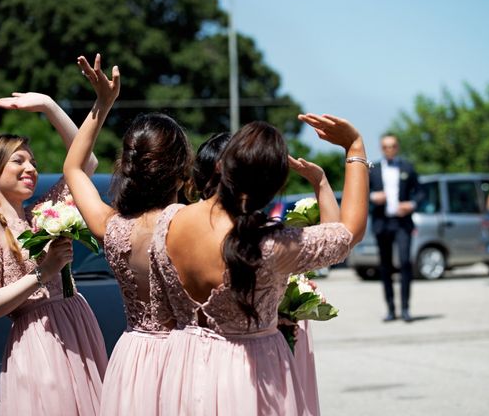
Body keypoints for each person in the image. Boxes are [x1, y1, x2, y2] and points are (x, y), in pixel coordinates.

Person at [150, 113, 368, 415]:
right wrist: (355, 148)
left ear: (221, 166)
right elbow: (349, 232)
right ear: (274, 188)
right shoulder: (272, 245)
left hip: (181, 367)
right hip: (249, 376)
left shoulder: (169, 221)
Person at [63, 54, 194, 416]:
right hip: (184, 358)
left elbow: (73, 166)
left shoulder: (111, 226)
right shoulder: (190, 223)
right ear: (181, 171)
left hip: (131, 359)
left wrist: (102, 104)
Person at [0, 92, 108, 416]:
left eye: (33, 163)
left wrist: (48, 106)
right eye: (19, 161)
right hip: (40, 340)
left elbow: (87, 162)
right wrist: (46, 271)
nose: (31, 168)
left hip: (78, 326)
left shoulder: (42, 212)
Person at [192, 130, 340, 415]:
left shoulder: (179, 228)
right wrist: (323, 180)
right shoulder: (269, 241)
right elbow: (339, 236)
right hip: (257, 358)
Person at [369, 132, 423, 323]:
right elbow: (362, 193)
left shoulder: (407, 167)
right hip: (382, 222)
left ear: (397, 147)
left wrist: (412, 204)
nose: (389, 149)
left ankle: (406, 308)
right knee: (385, 266)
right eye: (385, 146)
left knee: (405, 262)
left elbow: (420, 192)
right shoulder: (373, 169)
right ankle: (391, 309)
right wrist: (372, 197)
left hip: (402, 223)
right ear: (381, 148)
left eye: (392, 146)